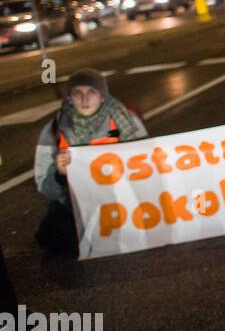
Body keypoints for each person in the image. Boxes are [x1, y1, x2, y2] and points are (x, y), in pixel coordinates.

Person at [33, 69, 148, 254]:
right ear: (69, 98)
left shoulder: (125, 121)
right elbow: (45, 188)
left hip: (119, 199)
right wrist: (60, 176)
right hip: (77, 205)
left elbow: (147, 166)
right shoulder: (53, 130)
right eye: (77, 93)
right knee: (53, 237)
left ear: (102, 96)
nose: (85, 100)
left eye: (92, 92)